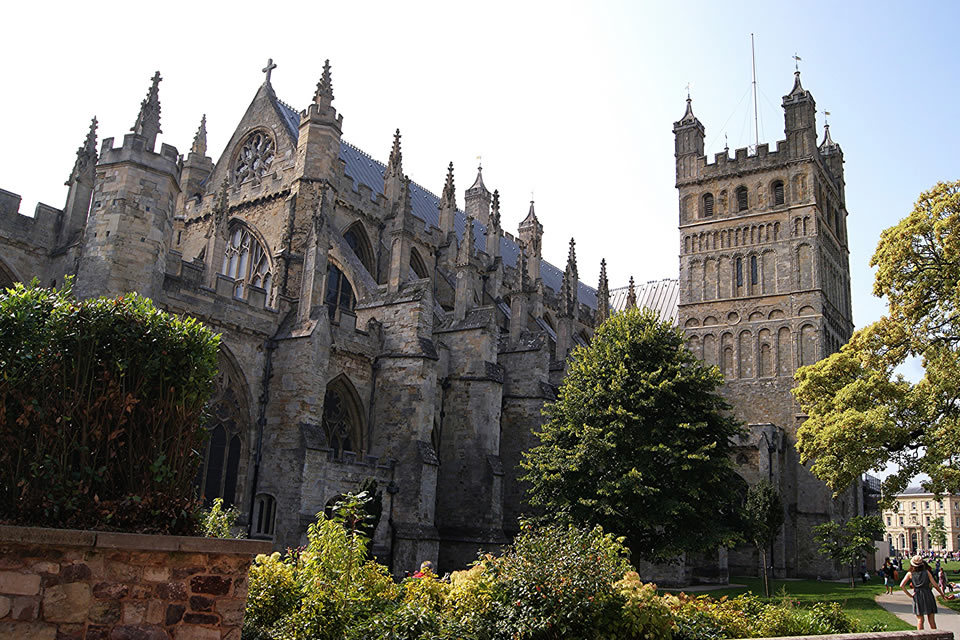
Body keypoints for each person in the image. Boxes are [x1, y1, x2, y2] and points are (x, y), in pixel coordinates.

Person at [901, 555, 952, 630]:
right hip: (928, 594)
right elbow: (935, 585)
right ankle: (934, 636)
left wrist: (910, 595)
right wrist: (942, 594)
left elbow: (902, 585)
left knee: (920, 620)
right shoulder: (926, 572)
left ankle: (921, 637)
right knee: (931, 620)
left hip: (917, 595)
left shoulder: (910, 574)